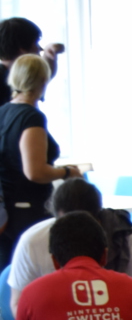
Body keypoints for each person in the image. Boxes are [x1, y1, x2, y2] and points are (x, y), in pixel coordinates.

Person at [9, 177, 132, 316]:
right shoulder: (32, 242)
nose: (73, 233)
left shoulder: (127, 240)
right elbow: (19, 304)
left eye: (82, 225)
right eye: (65, 226)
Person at [0, 54, 79, 267]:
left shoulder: (4, 111)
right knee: (34, 272)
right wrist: (67, 172)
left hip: (6, 212)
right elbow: (35, 171)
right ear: (42, 80)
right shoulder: (30, 117)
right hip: (28, 210)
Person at [0, 17, 63, 106]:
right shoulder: (9, 81)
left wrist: (49, 54)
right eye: (36, 43)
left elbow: (44, 74)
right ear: (22, 48)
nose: (40, 49)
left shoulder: (18, 75)